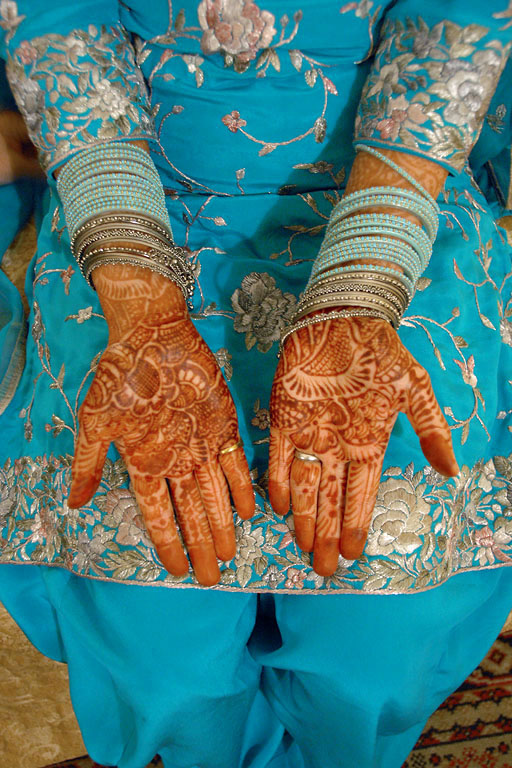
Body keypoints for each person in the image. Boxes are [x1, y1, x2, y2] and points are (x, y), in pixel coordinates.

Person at [0, 1, 511, 767]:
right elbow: (60, 27)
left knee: (387, 606)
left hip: (392, 193)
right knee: (154, 612)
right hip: (132, 210)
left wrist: (360, 286)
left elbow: (452, 28)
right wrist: (144, 312)